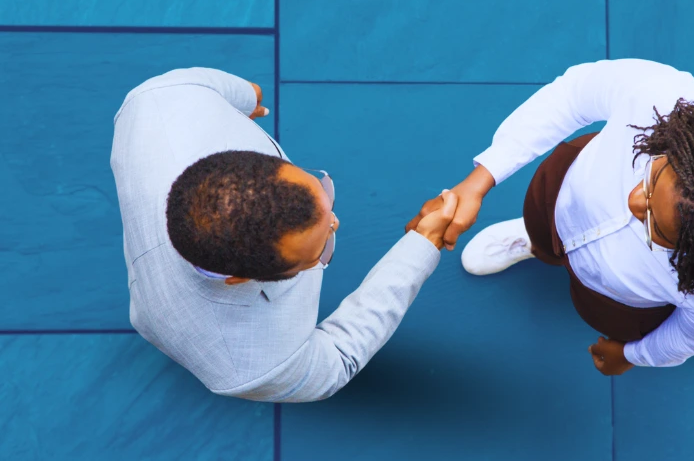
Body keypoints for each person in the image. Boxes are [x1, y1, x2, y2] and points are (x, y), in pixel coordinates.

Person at [406, 58, 694, 375]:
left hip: (613, 296)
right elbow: (573, 94)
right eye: (654, 176)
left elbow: (688, 337)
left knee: (588, 306)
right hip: (561, 191)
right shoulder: (662, 94)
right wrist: (480, 180)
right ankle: (535, 243)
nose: (635, 201)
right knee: (541, 227)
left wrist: (632, 355)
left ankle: (548, 251)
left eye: (656, 226)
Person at [111, 67, 458, 402]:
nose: (335, 222)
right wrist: (423, 244)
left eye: (322, 193)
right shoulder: (256, 368)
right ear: (237, 279)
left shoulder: (160, 99)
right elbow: (339, 357)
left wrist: (248, 100)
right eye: (320, 252)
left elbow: (250, 93)